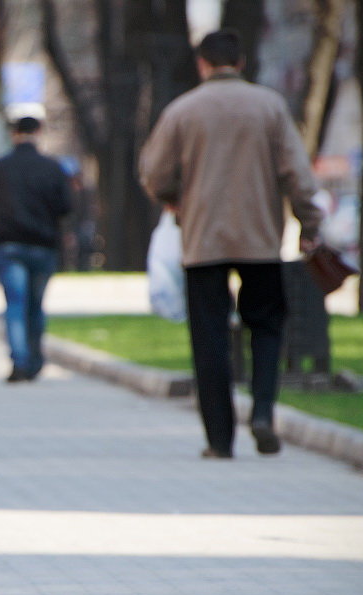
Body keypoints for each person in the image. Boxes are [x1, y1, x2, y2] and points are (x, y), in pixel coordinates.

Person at [139, 29, 323, 459]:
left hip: (202, 240)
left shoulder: (183, 111)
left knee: (210, 338)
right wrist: (308, 223)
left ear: (203, 65)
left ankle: (219, 440)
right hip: (260, 238)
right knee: (267, 325)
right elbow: (297, 173)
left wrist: (176, 202)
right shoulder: (270, 107)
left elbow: (154, 174)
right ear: (241, 63)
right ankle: (261, 411)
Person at [0, 116, 72, 382]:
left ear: (14, 134)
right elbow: (66, 205)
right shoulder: (52, 168)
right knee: (36, 305)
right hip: (43, 244)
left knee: (15, 304)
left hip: (9, 243)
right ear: (38, 133)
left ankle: (19, 361)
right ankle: (35, 360)